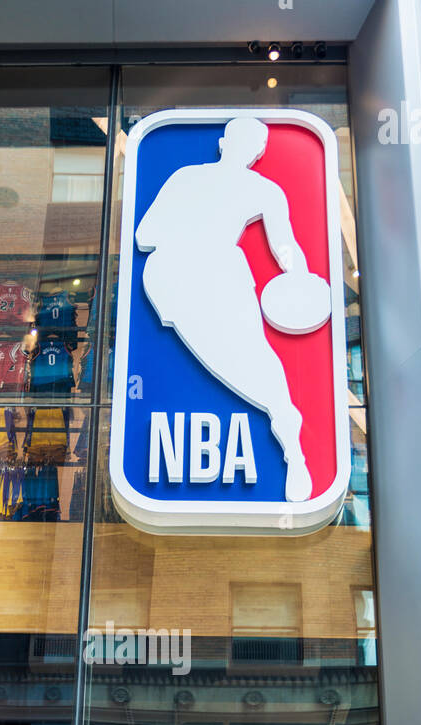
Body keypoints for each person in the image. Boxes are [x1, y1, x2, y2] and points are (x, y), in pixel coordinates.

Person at [135, 116, 316, 503]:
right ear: (255, 153)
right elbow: (286, 250)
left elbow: (146, 233)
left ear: (223, 143)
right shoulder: (262, 189)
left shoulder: (188, 178)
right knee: (251, 358)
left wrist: (301, 281)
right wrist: (300, 279)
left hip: (183, 276)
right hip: (192, 277)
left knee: (250, 357)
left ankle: (288, 431)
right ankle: (287, 427)